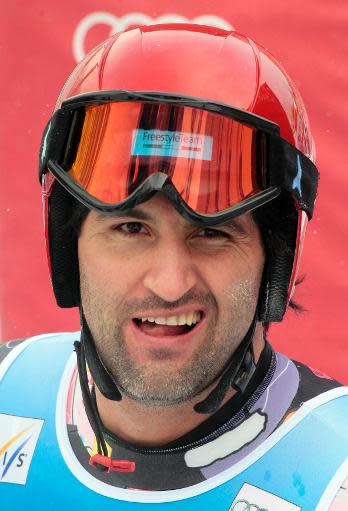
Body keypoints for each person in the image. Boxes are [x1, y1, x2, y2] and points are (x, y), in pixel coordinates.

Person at [1, 23, 347, 510]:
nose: (169, 284)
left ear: (273, 263)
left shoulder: (335, 476)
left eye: (211, 232)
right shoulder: (4, 390)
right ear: (69, 246)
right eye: (130, 229)